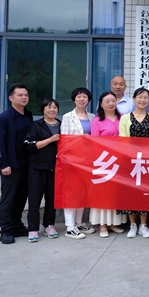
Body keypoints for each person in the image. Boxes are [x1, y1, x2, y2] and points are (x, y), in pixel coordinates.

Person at [0, 83, 33, 244]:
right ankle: (5, 230)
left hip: (26, 164)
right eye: (20, 95)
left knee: (21, 197)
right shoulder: (4, 117)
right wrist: (3, 164)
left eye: (26, 95)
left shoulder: (28, 115)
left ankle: (17, 226)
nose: (24, 97)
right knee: (8, 199)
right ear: (11, 98)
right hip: (10, 165)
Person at [119, 88, 149, 238]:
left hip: (146, 160)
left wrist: (143, 155)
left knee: (144, 192)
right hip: (128, 160)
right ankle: (133, 225)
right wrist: (133, 154)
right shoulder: (125, 118)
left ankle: (143, 225)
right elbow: (123, 138)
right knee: (130, 192)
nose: (143, 100)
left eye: (145, 98)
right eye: (140, 97)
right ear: (134, 99)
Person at [89, 92, 126, 238]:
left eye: (113, 100)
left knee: (116, 193)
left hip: (120, 160)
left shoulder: (122, 117)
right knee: (103, 193)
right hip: (104, 161)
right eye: (107, 101)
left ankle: (113, 223)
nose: (111, 103)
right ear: (101, 104)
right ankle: (103, 225)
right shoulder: (97, 120)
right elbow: (95, 143)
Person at [61, 87, 96, 239]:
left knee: (82, 191)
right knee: (71, 192)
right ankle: (70, 227)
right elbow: (65, 139)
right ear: (74, 99)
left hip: (88, 160)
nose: (82, 99)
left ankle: (78, 223)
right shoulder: (68, 117)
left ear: (88, 100)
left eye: (85, 97)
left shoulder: (93, 117)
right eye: (79, 97)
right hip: (72, 159)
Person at [24, 98, 60, 243]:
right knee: (34, 199)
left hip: (55, 168)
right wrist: (50, 140)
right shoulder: (36, 125)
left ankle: (49, 225)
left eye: (55, 107)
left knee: (52, 199)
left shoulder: (62, 125)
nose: (52, 110)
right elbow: (30, 145)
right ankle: (33, 228)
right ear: (43, 109)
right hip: (37, 168)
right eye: (49, 107)